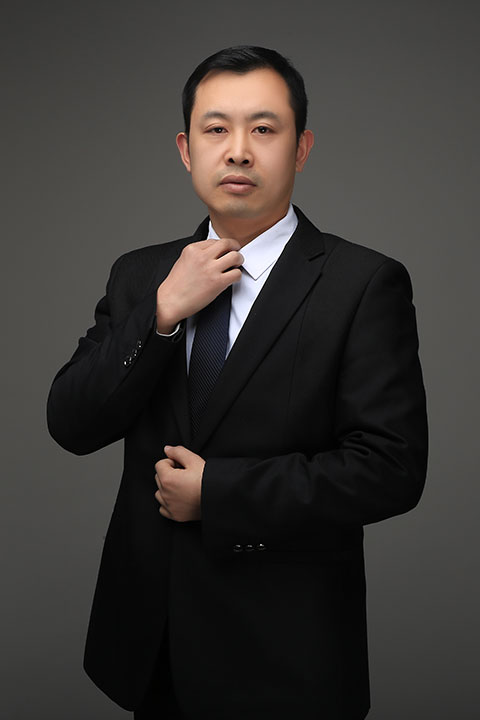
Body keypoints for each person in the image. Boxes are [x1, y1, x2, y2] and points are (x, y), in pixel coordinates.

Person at [47, 46, 428, 720]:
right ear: (186, 149)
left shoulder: (363, 284)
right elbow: (72, 424)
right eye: (216, 128)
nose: (239, 151)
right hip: (152, 647)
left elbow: (390, 469)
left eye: (264, 128)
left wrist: (219, 494)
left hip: (287, 654)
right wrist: (162, 313)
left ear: (301, 148)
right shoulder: (141, 276)